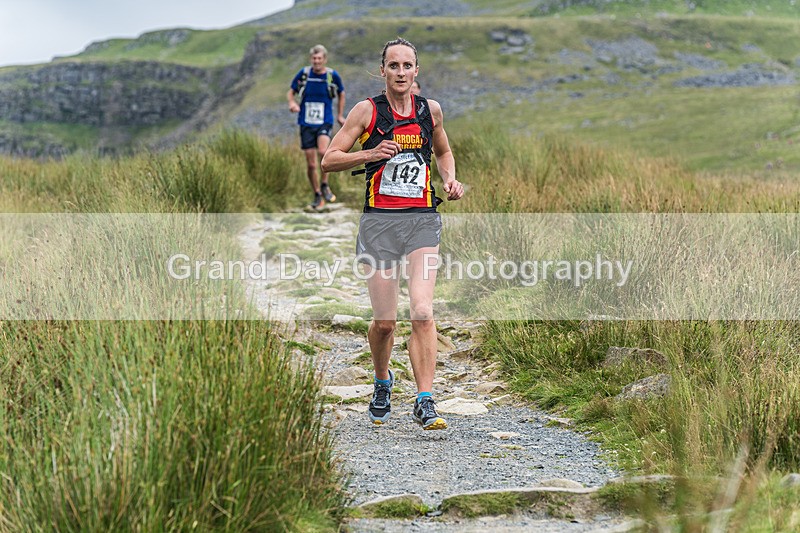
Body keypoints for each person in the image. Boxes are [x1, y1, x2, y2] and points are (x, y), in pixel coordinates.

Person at [322, 38, 464, 430]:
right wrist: (370, 153)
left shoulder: (429, 110)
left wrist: (450, 180)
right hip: (379, 224)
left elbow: (444, 152)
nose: (400, 73)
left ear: (416, 71)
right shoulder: (366, 111)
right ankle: (382, 381)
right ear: (381, 70)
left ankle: (425, 399)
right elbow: (329, 160)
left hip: (421, 220)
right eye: (393, 66)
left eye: (407, 66)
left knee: (422, 310)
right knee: (385, 323)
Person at [287, 44, 346, 210]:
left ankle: (325, 184)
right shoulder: (305, 74)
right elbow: (291, 91)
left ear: (325, 59)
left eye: (320, 58)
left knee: (323, 152)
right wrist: (292, 103)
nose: (317, 61)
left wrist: (340, 115)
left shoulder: (332, 75)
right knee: (311, 164)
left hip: (324, 120)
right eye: (314, 58)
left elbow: (342, 93)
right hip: (306, 122)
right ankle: (317, 193)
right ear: (311, 59)